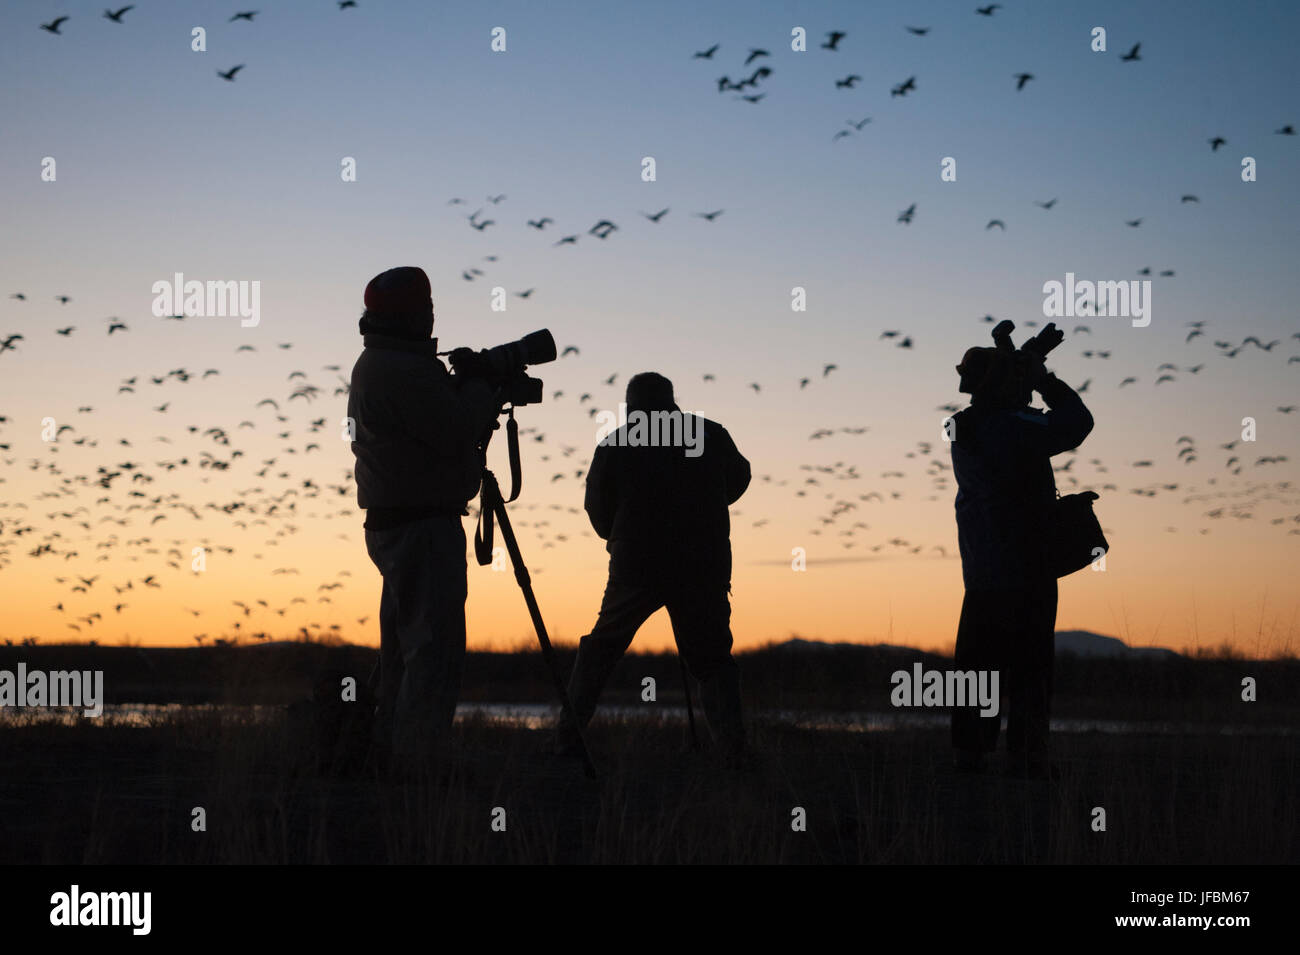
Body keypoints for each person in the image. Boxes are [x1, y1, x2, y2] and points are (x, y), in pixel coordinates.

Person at [347, 266, 499, 770]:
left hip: (398, 522)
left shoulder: (383, 363)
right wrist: (484, 386)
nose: (433, 315)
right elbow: (454, 430)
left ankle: (385, 751)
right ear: (413, 315)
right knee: (433, 650)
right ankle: (416, 765)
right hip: (421, 526)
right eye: (427, 308)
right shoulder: (401, 370)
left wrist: (468, 382)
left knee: (402, 650)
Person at [554, 372, 752, 759]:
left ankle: (567, 739)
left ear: (631, 406)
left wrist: (619, 535)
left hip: (636, 565)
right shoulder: (710, 434)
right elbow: (740, 478)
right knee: (712, 659)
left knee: (602, 648)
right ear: (671, 399)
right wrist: (709, 506)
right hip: (702, 563)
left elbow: (597, 508)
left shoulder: (615, 442)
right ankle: (733, 751)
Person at [948, 335, 1093, 778]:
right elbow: (1076, 424)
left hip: (983, 572)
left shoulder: (966, 425)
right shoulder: (1009, 428)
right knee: (1031, 670)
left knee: (979, 667)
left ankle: (970, 758)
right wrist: (1041, 377)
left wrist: (1019, 362)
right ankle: (1027, 760)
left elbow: (1012, 411)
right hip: (1025, 570)